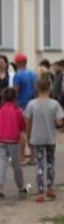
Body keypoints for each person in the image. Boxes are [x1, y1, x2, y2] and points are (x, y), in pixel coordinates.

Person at [24, 75, 64, 203]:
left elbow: (28, 122)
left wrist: (28, 136)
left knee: (39, 164)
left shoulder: (31, 104)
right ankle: (50, 188)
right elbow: (59, 123)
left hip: (37, 138)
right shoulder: (55, 104)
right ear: (50, 88)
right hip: (50, 137)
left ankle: (40, 192)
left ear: (36, 88)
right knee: (51, 163)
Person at [0, 87, 29, 201]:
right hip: (13, 140)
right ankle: (20, 186)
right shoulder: (18, 110)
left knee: (1, 164)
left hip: (1, 140)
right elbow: (22, 126)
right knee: (16, 165)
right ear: (14, 97)